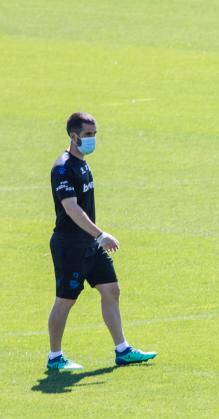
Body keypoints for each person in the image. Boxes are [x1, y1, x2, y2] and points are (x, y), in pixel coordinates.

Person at [47, 112, 156, 371]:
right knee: (66, 300)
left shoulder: (83, 163)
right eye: (87, 135)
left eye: (95, 134)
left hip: (89, 244)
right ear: (73, 136)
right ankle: (55, 357)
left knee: (111, 290)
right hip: (70, 246)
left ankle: (122, 350)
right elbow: (72, 209)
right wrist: (100, 234)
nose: (92, 139)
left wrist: (94, 238)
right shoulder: (63, 168)